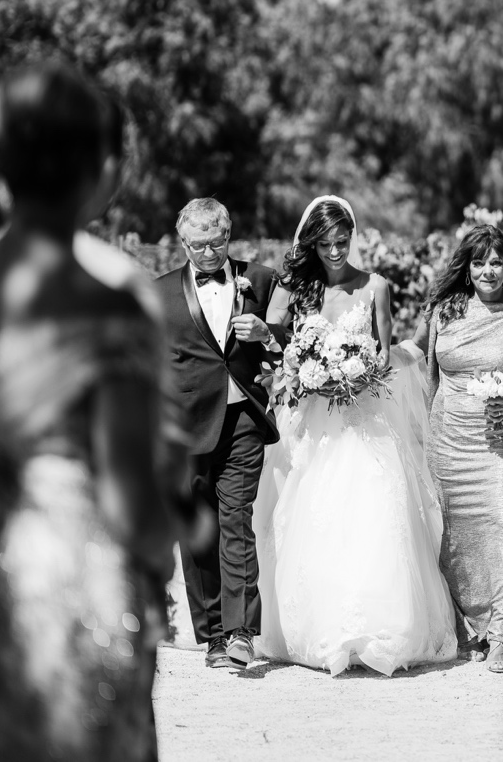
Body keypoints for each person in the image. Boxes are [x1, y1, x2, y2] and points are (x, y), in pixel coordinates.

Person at [0, 59, 173, 760]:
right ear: (94, 169)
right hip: (77, 595)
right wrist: (153, 571)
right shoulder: (112, 299)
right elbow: (132, 499)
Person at [252, 195, 457, 676]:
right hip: (315, 420)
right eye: (325, 244)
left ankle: (379, 632)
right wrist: (307, 369)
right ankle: (327, 635)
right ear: (313, 243)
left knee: (375, 515)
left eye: (342, 242)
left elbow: (386, 354)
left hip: (366, 417)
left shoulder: (376, 287)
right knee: (315, 517)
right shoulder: (298, 290)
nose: (335, 251)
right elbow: (279, 343)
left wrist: (359, 371)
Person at [153, 198, 279, 670]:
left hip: (244, 417)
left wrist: (266, 333)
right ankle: (212, 638)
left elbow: (293, 339)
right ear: (183, 243)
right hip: (185, 428)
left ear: (231, 235)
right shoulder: (160, 293)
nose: (208, 253)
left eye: (217, 242)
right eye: (198, 245)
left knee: (235, 519)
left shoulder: (263, 279)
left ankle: (241, 630)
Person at [422, 224, 503, 674]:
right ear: (467, 268)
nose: (488, 271)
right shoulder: (445, 310)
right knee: (453, 537)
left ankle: (501, 635)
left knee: (500, 523)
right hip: (449, 439)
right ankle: (472, 628)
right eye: (479, 262)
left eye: (496, 262)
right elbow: (429, 376)